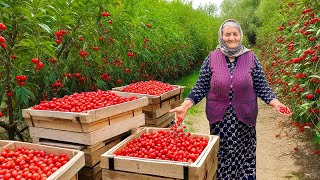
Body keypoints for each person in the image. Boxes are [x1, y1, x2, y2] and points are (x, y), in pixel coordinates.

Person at [169, 19, 291, 179]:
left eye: (235, 34)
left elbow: (262, 86)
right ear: (221, 36)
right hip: (220, 121)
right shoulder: (212, 58)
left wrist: (276, 103)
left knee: (245, 157)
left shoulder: (251, 58)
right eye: (227, 34)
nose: (231, 38)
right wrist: (185, 106)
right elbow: (201, 86)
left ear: (240, 35)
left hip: (245, 120)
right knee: (221, 156)